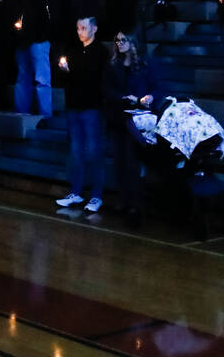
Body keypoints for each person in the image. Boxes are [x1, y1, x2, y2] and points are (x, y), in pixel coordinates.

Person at [102, 31, 157, 220]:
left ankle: (135, 202)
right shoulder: (112, 65)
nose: (119, 43)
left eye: (123, 40)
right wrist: (123, 97)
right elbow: (107, 90)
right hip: (119, 117)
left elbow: (155, 87)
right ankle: (122, 200)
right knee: (119, 161)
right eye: (117, 40)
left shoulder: (143, 63)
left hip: (137, 120)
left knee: (132, 162)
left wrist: (149, 97)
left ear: (132, 42)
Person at [55, 16, 106, 219]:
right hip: (74, 106)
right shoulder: (74, 50)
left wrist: (72, 72)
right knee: (76, 151)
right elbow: (67, 77)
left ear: (94, 28)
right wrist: (65, 71)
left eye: (84, 27)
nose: (80, 31)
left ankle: (96, 195)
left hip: (91, 107)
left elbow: (93, 77)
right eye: (77, 28)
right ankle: (76, 192)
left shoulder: (100, 52)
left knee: (93, 151)